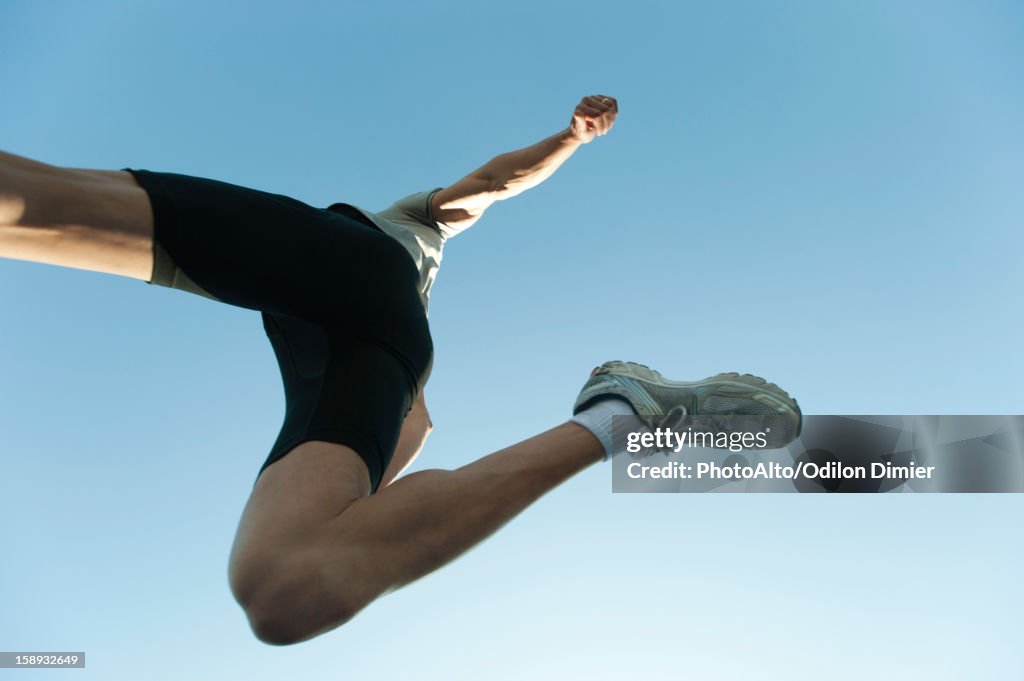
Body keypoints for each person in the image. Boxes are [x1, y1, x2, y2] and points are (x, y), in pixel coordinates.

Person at [0, 94, 801, 645]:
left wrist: (570, 138)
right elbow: (414, 432)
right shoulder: (406, 375)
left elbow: (490, 184)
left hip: (346, 273)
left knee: (22, 198)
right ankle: (619, 418)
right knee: (286, 583)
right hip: (376, 355)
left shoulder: (408, 225)